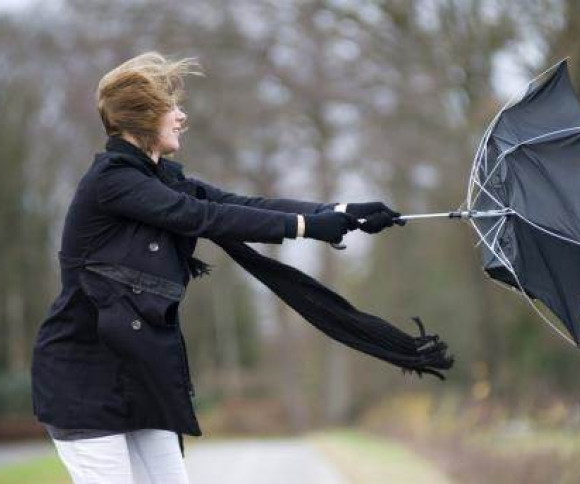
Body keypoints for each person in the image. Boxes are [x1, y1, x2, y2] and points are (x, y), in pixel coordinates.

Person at [29, 51, 405, 484]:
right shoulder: (111, 182)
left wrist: (342, 211)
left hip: (139, 374)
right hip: (84, 379)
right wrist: (307, 227)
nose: (181, 116)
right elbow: (201, 218)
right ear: (143, 115)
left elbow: (237, 205)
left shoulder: (159, 178)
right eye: (171, 107)